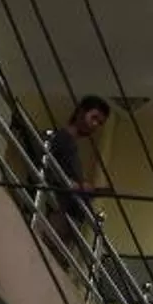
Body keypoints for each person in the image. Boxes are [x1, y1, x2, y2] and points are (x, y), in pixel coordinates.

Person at [41, 94, 111, 239]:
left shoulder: (71, 145)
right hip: (55, 212)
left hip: (67, 216)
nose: (95, 125)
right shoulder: (61, 139)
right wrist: (76, 186)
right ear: (80, 112)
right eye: (94, 118)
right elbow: (45, 168)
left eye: (100, 123)